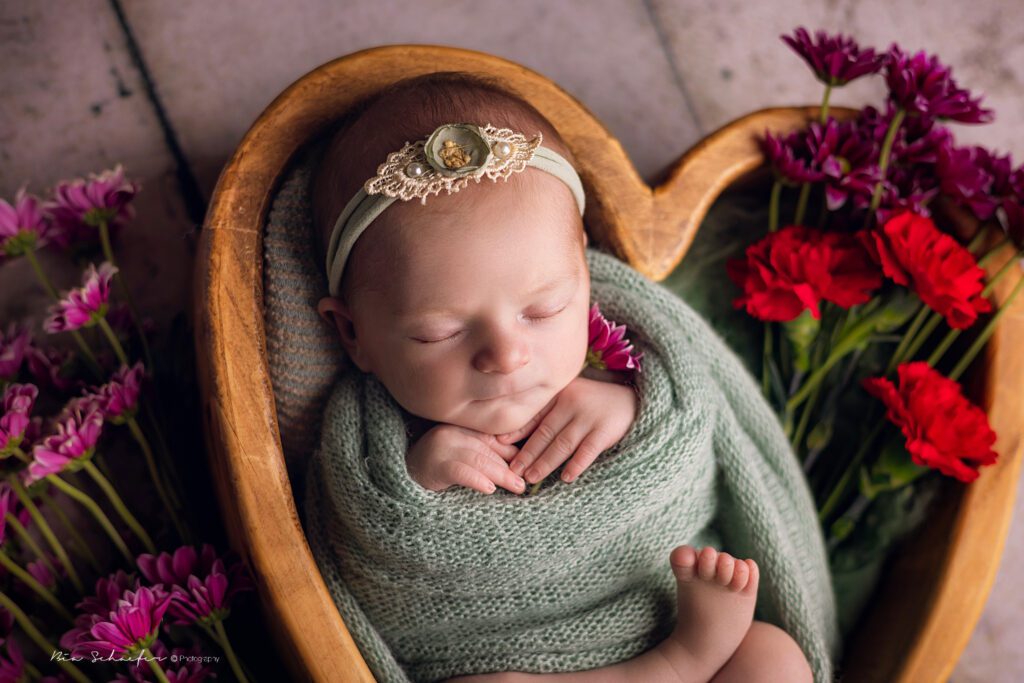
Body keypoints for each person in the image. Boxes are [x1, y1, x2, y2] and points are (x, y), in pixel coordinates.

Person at [307, 71, 819, 683]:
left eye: (544, 311)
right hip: (506, 660)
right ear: (353, 334)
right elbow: (368, 551)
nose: (507, 354)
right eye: (439, 332)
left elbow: (688, 443)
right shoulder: (369, 438)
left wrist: (635, 409)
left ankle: (687, 659)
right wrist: (414, 482)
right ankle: (677, 664)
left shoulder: (629, 367)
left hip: (652, 608)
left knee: (773, 658)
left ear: (582, 267)